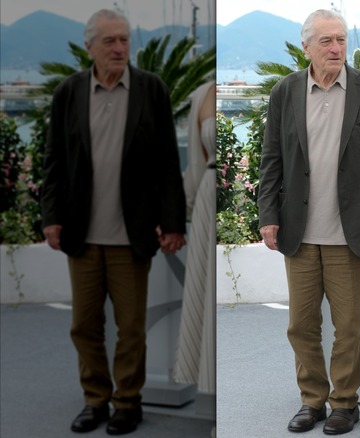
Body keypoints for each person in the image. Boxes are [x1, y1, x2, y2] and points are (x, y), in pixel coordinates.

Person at [39, 8, 186, 436]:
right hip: (81, 232)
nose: (120, 48)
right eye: (110, 41)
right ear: (90, 48)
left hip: (132, 234)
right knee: (84, 324)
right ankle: (95, 400)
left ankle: (128, 402)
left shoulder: (150, 89)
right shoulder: (68, 93)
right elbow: (53, 162)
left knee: (131, 327)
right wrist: (51, 218)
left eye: (124, 39)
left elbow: (166, 164)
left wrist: (172, 221)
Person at [257, 9, 360, 436]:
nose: (336, 47)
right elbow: (271, 160)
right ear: (307, 47)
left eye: (341, 39)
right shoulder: (285, 92)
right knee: (301, 324)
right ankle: (312, 401)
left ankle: (345, 403)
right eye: (326, 41)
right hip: (298, 229)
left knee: (347, 327)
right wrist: (267, 216)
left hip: (349, 231)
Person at [173, 81, 216, 404]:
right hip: (207, 198)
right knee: (205, 292)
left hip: (222, 194)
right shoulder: (202, 95)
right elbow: (197, 162)